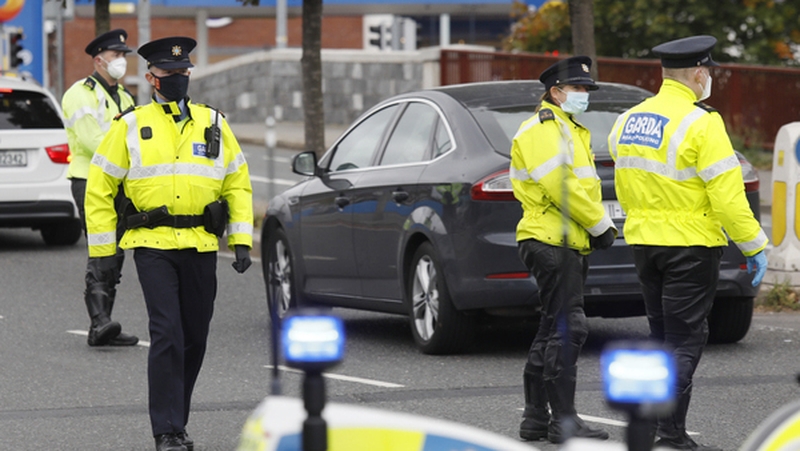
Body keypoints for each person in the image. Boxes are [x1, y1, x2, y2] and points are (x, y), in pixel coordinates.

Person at [84, 36, 254, 451]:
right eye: (168, 74)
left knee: (195, 336)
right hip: (152, 243)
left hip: (199, 244)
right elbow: (99, 188)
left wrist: (243, 239)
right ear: (151, 78)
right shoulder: (129, 125)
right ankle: (167, 430)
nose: (177, 79)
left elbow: (238, 183)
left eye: (183, 73)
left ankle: (177, 420)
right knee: (167, 334)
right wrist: (104, 255)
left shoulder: (214, 123)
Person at [608, 35, 768, 451]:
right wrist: (754, 245)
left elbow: (624, 181)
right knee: (684, 342)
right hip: (690, 247)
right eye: (708, 71)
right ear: (699, 73)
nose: (708, 78)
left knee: (662, 337)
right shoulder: (702, 122)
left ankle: (665, 431)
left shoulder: (628, 119)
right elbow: (728, 197)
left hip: (644, 244)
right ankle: (663, 432)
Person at [511, 56, 616, 444]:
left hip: (562, 240)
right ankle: (563, 422)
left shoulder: (566, 128)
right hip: (553, 239)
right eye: (578, 89)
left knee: (552, 328)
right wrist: (601, 225)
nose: (584, 95)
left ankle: (537, 420)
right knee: (568, 327)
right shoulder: (543, 129)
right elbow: (562, 187)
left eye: (586, 89)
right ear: (556, 92)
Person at [62, 29, 139, 347]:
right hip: (90, 180)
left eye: (124, 55)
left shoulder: (125, 96)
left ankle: (103, 324)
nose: (121, 60)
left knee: (117, 250)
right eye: (116, 55)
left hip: (120, 182)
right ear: (98, 60)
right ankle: (99, 321)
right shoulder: (80, 93)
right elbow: (92, 141)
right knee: (101, 247)